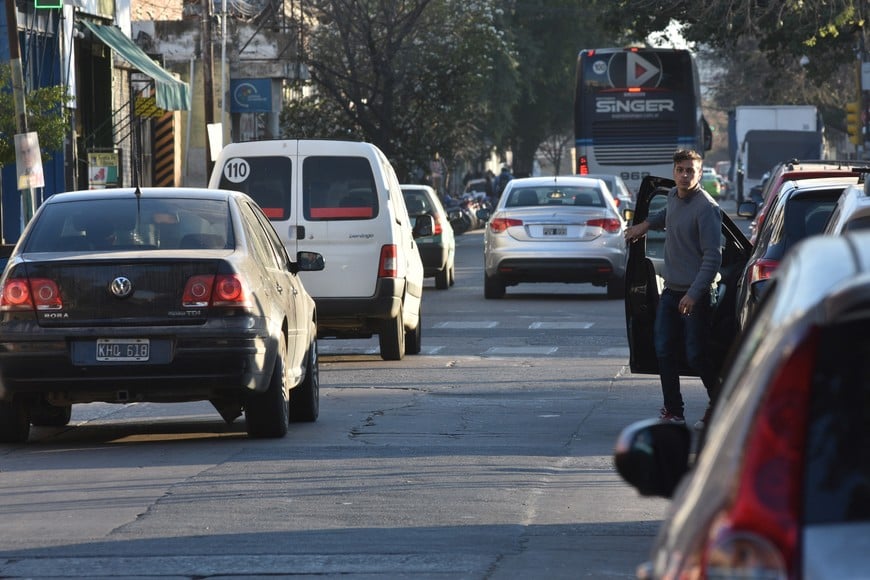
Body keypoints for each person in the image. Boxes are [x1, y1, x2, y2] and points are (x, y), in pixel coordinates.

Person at [623, 149, 722, 430]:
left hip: (697, 294)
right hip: (671, 291)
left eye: (690, 170)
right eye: (680, 170)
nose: (684, 175)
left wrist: (694, 293)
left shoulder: (707, 208)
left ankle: (720, 404)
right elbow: (667, 213)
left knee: (695, 355)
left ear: (700, 173)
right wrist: (643, 225)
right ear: (674, 171)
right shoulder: (673, 196)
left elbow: (713, 258)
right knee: (663, 349)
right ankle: (674, 410)